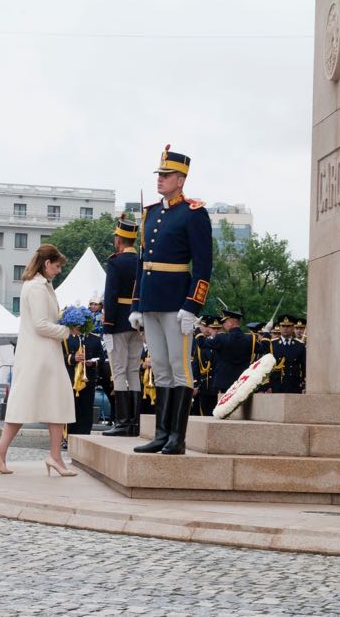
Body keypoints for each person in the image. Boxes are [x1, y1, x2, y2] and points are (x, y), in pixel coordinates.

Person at [131, 146, 212, 455]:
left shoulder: (193, 213)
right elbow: (142, 261)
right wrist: (137, 304)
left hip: (177, 301)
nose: (160, 180)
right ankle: (162, 434)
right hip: (151, 300)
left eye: (166, 175)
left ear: (181, 179)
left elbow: (203, 264)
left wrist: (193, 305)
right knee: (161, 369)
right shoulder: (151, 213)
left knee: (180, 369)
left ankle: (178, 437)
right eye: (160, 175)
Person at [0, 244, 79, 476]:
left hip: (43, 354)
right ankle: (5, 451)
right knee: (29, 404)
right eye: (57, 266)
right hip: (40, 355)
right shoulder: (37, 287)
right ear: (47, 264)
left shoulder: (40, 285)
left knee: (51, 403)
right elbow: (40, 325)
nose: (59, 271)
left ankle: (53, 456)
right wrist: (68, 331)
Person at [101, 214, 143, 437]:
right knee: (133, 370)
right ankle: (135, 423)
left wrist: (107, 325)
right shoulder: (142, 261)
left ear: (119, 240)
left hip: (117, 322)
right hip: (138, 322)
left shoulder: (116, 262)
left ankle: (122, 422)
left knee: (119, 371)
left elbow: (111, 296)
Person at [197, 310, 255, 397]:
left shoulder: (221, 338)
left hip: (225, 383)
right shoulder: (250, 338)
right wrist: (266, 334)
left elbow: (202, 343)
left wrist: (198, 329)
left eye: (224, 321)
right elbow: (264, 349)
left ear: (231, 322)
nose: (222, 324)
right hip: (243, 382)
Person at [62, 326, 103, 439]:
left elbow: (102, 358)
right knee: (71, 409)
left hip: (88, 379)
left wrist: (92, 362)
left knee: (86, 409)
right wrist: (73, 358)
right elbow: (59, 356)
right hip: (70, 378)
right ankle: (68, 437)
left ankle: (84, 437)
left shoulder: (95, 339)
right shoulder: (66, 338)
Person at [268, 314, 306, 393]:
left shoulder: (299, 345)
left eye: (288, 326)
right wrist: (267, 386)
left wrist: (304, 383)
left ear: (292, 327)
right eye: (283, 326)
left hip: (294, 385)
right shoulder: (272, 344)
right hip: (277, 385)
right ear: (280, 327)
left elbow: (304, 366)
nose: (285, 329)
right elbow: (267, 367)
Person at [192, 315, 218, 416]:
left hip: (216, 385)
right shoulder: (198, 343)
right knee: (203, 413)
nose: (205, 329)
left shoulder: (218, 341)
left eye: (206, 326)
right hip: (204, 385)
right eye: (203, 326)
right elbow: (195, 365)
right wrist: (195, 384)